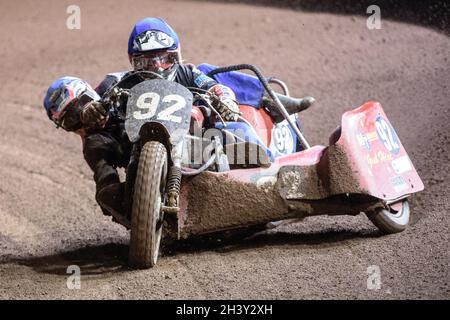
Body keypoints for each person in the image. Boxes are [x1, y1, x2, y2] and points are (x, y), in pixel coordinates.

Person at [43, 18, 240, 221]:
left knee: (232, 135)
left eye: (164, 58)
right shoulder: (121, 80)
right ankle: (111, 187)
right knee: (95, 140)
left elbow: (215, 87)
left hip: (195, 135)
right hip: (137, 140)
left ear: (176, 56)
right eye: (145, 62)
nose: (156, 67)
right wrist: (92, 111)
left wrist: (226, 101)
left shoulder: (188, 72)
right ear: (133, 61)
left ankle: (247, 177)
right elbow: (99, 100)